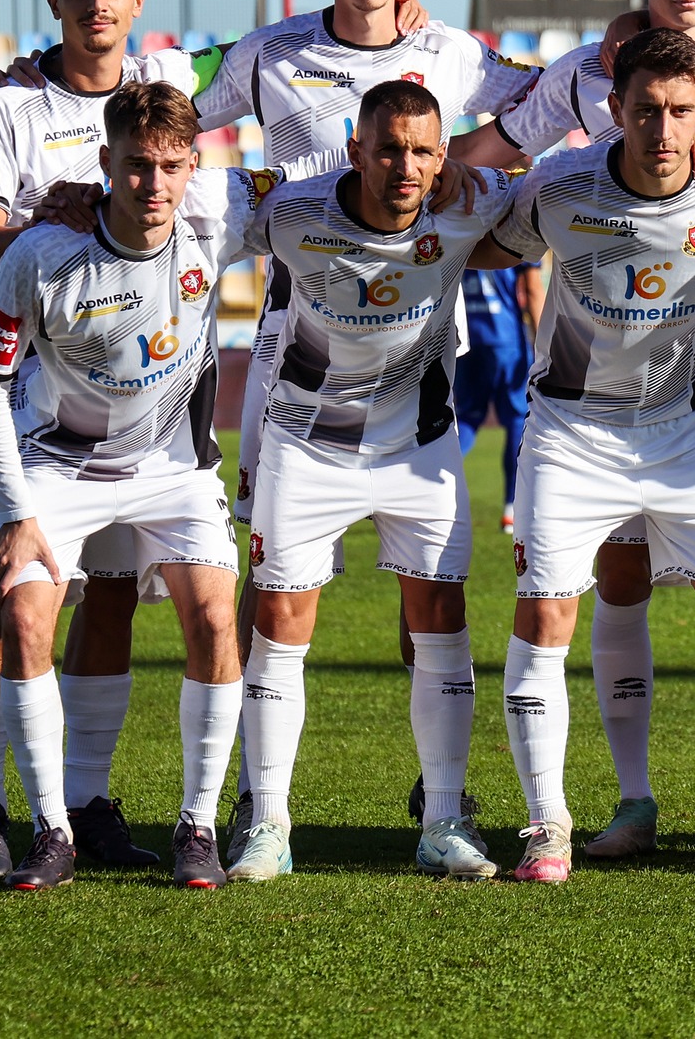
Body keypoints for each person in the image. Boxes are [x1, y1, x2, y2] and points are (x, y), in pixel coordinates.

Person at [456, 0, 695, 861]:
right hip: (575, 432)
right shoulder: (559, 182)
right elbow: (482, 226)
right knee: (574, 601)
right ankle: (564, 821)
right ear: (613, 104)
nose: (664, 127)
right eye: (646, 110)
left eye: (682, 112)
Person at [0, 82, 310, 890]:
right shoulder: (40, 253)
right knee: (22, 617)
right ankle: (50, 832)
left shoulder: (220, 208)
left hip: (172, 469)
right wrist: (17, 513)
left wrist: (446, 178)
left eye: (170, 166)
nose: (154, 184)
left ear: (194, 165)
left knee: (217, 619)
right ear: (105, 161)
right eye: (135, 166)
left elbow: (322, 184)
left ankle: (197, 827)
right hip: (58, 465)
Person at [0, 0, 213, 879]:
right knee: (8, 601)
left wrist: (399, 13)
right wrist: (50, 217)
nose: (96, 4)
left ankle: (87, 802)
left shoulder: (166, 78)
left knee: (112, 601)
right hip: (33, 394)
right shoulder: (9, 104)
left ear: (138, 1)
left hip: (140, 423)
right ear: (54, 0)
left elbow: (272, 55)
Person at [226, 79, 518, 884]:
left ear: (443, 156)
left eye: (423, 151)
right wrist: (83, 198)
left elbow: (568, 182)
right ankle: (267, 823)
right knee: (280, 625)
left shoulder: (470, 201)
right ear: (355, 150)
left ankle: (444, 820)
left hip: (417, 449)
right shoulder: (291, 209)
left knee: (441, 623)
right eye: (389, 149)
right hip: (306, 446)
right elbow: (192, 195)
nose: (406, 167)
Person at [456, 260, 543, 532]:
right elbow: (532, 289)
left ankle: (425, 488)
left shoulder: (460, 232)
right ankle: (511, 507)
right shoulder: (518, 234)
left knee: (466, 418)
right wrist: (544, 348)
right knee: (518, 418)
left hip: (467, 339)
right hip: (507, 341)